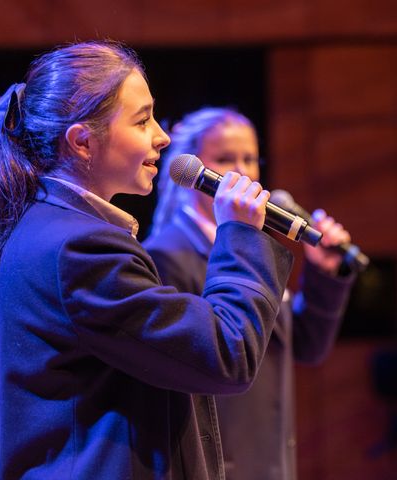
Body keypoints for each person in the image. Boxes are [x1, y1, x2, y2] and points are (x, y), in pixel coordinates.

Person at [0, 41, 294, 479]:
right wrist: (240, 233)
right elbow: (226, 355)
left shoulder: (49, 228)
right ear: (83, 142)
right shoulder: (80, 249)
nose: (162, 137)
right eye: (143, 120)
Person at [145, 107, 356, 480]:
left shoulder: (252, 248)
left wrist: (324, 274)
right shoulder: (167, 255)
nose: (242, 171)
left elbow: (304, 346)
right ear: (194, 171)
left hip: (271, 458)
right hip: (221, 464)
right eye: (225, 159)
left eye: (250, 158)